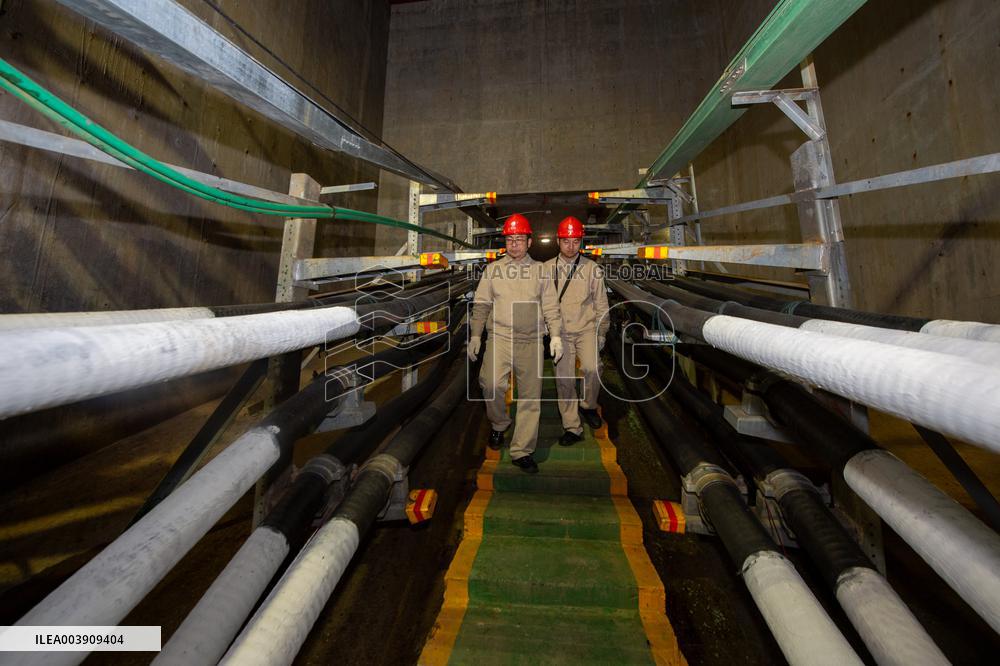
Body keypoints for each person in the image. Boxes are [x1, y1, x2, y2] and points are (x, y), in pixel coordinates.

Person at [468, 213, 564, 473]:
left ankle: (522, 450)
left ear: (529, 242)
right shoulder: (493, 270)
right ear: (505, 242)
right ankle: (499, 424)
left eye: (519, 239)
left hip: (531, 341)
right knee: (490, 384)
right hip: (500, 337)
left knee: (530, 398)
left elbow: (551, 307)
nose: (514, 245)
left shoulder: (542, 272)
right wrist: (476, 334)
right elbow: (481, 305)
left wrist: (555, 334)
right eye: (510, 239)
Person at [544, 216, 610, 446]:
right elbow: (539, 302)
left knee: (593, 369)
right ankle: (572, 426)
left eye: (576, 241)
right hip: (560, 332)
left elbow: (601, 304)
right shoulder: (546, 269)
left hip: (586, 329)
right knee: (564, 380)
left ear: (581, 241)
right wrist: (547, 329)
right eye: (566, 241)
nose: (571, 246)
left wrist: (602, 332)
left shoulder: (592, 269)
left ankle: (589, 406)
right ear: (558, 241)